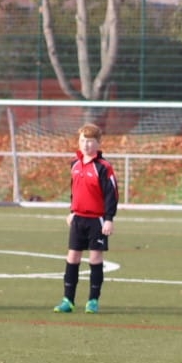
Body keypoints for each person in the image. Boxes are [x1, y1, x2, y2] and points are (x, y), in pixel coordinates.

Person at [53, 123, 117, 314]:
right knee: (72, 257)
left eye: (90, 141)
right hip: (78, 218)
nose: (86, 145)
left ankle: (93, 301)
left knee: (95, 258)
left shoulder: (104, 167)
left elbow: (111, 194)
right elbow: (75, 190)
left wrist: (109, 218)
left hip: (97, 220)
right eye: (82, 141)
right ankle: (68, 300)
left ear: (98, 143)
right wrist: (72, 211)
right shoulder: (74, 164)